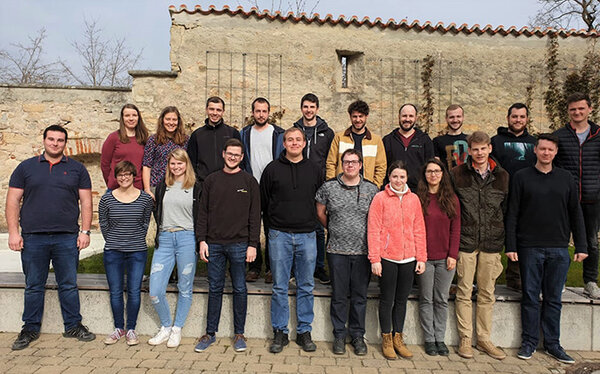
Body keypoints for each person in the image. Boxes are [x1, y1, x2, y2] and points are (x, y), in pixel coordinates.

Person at [7, 124, 96, 350]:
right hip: (33, 238)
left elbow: (86, 202)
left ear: (65, 143)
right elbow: (12, 201)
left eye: (60, 140)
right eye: (51, 139)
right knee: (33, 285)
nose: (55, 143)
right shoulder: (25, 168)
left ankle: (73, 325)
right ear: (44, 141)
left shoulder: (77, 169)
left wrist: (85, 232)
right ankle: (30, 328)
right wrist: (14, 232)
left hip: (66, 237)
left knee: (68, 284)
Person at [505, 133, 587, 364]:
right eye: (542, 149)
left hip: (559, 249)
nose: (546, 153)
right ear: (535, 150)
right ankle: (529, 342)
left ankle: (553, 344)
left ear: (555, 152)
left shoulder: (566, 179)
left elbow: (576, 214)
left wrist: (581, 245)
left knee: (553, 299)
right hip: (529, 246)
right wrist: (511, 245)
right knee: (530, 296)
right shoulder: (522, 177)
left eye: (550, 150)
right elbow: (512, 213)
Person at [195, 139, 260, 353]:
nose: (233, 157)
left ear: (242, 157)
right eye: (230, 153)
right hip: (214, 244)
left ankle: (239, 334)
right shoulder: (211, 181)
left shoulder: (249, 182)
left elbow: (254, 217)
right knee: (215, 288)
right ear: (224, 154)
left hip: (240, 244)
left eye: (237, 155)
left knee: (240, 288)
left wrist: (253, 245)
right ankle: (210, 333)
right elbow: (202, 213)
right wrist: (202, 240)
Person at [261, 127, 322, 354]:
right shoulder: (272, 169)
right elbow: (265, 202)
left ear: (304, 143)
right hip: (279, 235)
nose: (294, 143)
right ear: (283, 143)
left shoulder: (315, 170)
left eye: (298, 139)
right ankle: (280, 332)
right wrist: (273, 228)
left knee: (306, 285)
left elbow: (319, 201)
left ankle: (304, 331)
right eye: (290, 140)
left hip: (307, 235)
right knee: (279, 286)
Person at [450, 131, 509, 360]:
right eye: (475, 149)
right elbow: (453, 209)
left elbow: (506, 209)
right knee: (464, 291)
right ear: (470, 151)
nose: (479, 153)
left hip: (491, 243)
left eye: (483, 148)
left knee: (487, 292)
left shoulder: (502, 176)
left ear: (489, 149)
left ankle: (484, 339)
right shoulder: (457, 174)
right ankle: (465, 338)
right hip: (466, 241)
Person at [315, 149, 379, 356]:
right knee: (339, 296)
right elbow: (320, 213)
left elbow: (377, 219)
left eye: (354, 162)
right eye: (346, 162)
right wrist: (335, 228)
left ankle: (358, 336)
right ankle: (340, 335)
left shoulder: (371, 189)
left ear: (360, 165)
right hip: (337, 251)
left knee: (360, 296)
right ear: (341, 164)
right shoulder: (329, 187)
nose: (350, 165)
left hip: (362, 252)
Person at [367, 160, 427, 360]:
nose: (399, 180)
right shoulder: (380, 198)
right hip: (387, 258)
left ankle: (398, 338)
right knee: (387, 299)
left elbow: (419, 229)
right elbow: (373, 230)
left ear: (407, 177)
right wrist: (375, 258)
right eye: (395, 177)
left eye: (402, 177)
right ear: (389, 178)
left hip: (408, 258)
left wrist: (421, 257)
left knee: (401, 301)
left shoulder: (414, 200)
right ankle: (386, 338)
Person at [147, 149, 200, 348]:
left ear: (186, 164)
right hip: (165, 239)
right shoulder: (162, 186)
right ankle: (166, 326)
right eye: (172, 163)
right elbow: (156, 211)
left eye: (180, 163)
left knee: (185, 287)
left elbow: (201, 215)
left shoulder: (196, 186)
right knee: (155, 290)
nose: (176, 167)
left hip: (187, 237)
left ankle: (177, 328)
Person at [98, 161, 154, 346]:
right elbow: (104, 225)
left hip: (137, 251)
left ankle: (131, 329)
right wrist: (115, 240)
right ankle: (118, 328)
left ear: (133, 175)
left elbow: (145, 223)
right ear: (116, 176)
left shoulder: (145, 199)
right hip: (113, 251)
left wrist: (133, 239)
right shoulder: (107, 199)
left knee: (134, 291)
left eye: (127, 174)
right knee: (115, 292)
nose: (124, 178)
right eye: (120, 175)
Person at [553, 92, 600, 299]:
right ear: (568, 111)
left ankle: (590, 281)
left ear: (589, 109)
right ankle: (559, 280)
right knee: (560, 240)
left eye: (581, 108)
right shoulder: (560, 136)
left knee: (591, 241)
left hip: (593, 196)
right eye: (573, 109)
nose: (577, 112)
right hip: (565, 198)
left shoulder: (598, 134)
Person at [415, 158, 460, 356]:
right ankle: (429, 339)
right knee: (426, 298)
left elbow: (456, 229)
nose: (433, 175)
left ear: (443, 174)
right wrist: (419, 257)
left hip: (445, 258)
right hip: (424, 257)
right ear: (424, 175)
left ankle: (440, 338)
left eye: (437, 171)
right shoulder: (418, 199)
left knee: (441, 299)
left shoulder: (452, 199)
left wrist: (453, 255)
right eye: (429, 171)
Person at [491, 103, 536, 291]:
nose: (518, 120)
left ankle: (515, 277)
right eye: (514, 116)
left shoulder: (534, 143)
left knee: (520, 236)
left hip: (525, 198)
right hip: (500, 196)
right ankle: (490, 278)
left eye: (522, 117)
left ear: (527, 119)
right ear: (508, 118)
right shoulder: (496, 141)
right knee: (494, 235)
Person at [240, 97, 284, 283]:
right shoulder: (244, 134)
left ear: (269, 112)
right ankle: (254, 267)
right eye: (257, 111)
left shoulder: (278, 134)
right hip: (251, 187)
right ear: (252, 113)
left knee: (272, 229)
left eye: (264, 111)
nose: (261, 114)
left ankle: (272, 269)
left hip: (272, 189)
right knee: (252, 228)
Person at [294, 93, 335, 285]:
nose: (308, 110)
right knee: (297, 226)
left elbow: (330, 160)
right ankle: (298, 268)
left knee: (319, 228)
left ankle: (319, 267)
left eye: (312, 107)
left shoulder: (327, 133)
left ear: (317, 109)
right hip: (298, 185)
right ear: (301, 108)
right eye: (305, 107)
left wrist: (327, 184)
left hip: (320, 186)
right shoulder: (295, 130)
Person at [326, 100, 387, 188]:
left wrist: (374, 187)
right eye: (354, 116)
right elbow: (331, 164)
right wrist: (332, 186)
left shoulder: (376, 140)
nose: (358, 120)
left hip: (366, 190)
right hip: (341, 188)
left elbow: (381, 167)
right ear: (350, 117)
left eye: (361, 116)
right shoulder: (339, 138)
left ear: (366, 116)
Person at [187, 96, 241, 184]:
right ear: (206, 110)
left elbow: (240, 159)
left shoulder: (233, 133)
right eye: (211, 109)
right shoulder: (197, 135)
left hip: (228, 183)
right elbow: (191, 162)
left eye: (218, 110)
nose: (215, 113)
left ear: (223, 112)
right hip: (203, 185)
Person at [382, 103, 434, 191]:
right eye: (404, 116)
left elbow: (430, 166)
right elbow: (382, 167)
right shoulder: (388, 140)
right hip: (393, 190)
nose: (407, 119)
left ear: (416, 118)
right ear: (399, 117)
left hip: (418, 191)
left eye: (411, 116)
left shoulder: (425, 140)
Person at [142, 106, 189, 199]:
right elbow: (147, 166)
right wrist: (147, 189)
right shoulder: (153, 140)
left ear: (178, 122)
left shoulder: (186, 140)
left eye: (174, 120)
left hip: (179, 185)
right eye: (168, 119)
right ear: (162, 120)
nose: (171, 123)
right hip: (157, 186)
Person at [101, 103, 149, 191]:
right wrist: (111, 181)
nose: (131, 118)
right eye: (127, 115)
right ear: (122, 118)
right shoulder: (113, 137)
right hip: (116, 187)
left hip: (137, 188)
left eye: (134, 115)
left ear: (138, 118)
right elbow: (105, 164)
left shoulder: (144, 139)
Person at [433, 104, 468, 170]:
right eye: (451, 117)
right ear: (446, 119)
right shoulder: (437, 141)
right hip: (446, 179)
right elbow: (436, 166)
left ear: (463, 118)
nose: (455, 120)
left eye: (458, 116)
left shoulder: (470, 140)